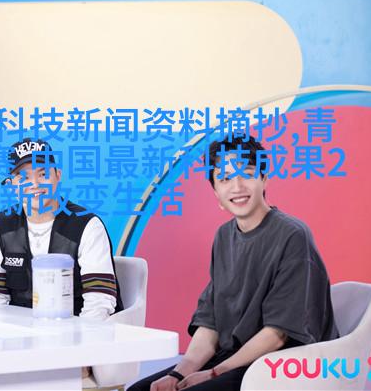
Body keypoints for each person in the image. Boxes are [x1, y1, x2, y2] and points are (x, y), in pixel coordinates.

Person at [130, 136, 338, 391]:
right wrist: (178, 374)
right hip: (236, 357)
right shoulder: (223, 236)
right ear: (216, 192)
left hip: (282, 362)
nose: (237, 187)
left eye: (247, 174)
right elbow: (210, 323)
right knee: (141, 390)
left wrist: (214, 373)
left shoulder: (293, 235)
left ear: (264, 179)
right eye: (225, 178)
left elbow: (278, 334)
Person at [0, 138, 123, 320]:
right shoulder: (0, 226)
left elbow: (98, 303)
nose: (35, 184)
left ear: (58, 175)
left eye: (43, 174)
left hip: (77, 332)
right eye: (23, 177)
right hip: (20, 334)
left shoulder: (87, 225)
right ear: (12, 185)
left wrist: (78, 336)